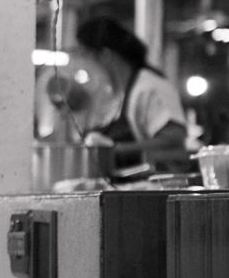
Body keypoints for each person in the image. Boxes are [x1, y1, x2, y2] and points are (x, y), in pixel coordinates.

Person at [73, 15, 190, 175]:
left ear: (106, 56)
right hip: (121, 189)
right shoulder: (112, 94)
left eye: (85, 56)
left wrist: (114, 150)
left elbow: (174, 139)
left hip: (152, 189)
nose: (84, 66)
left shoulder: (149, 87)